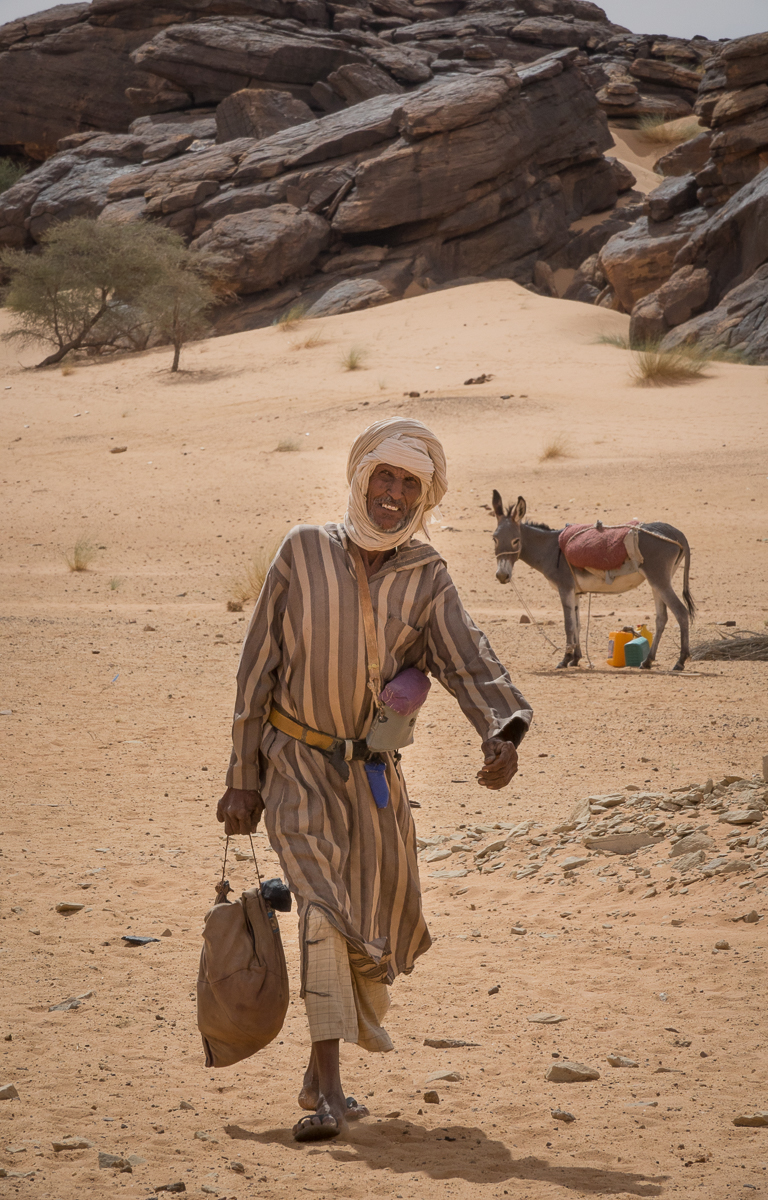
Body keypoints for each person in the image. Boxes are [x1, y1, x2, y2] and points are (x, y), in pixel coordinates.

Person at [216, 417, 531, 1142]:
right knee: (324, 911)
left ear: (424, 497)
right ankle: (327, 1087)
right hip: (293, 762)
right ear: (360, 478)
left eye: (408, 484)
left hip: (372, 779)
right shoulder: (302, 550)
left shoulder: (427, 575)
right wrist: (243, 775)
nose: (392, 494)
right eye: (382, 478)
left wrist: (500, 729)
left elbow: (466, 656)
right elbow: (255, 666)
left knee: (366, 923)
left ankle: (319, 1068)